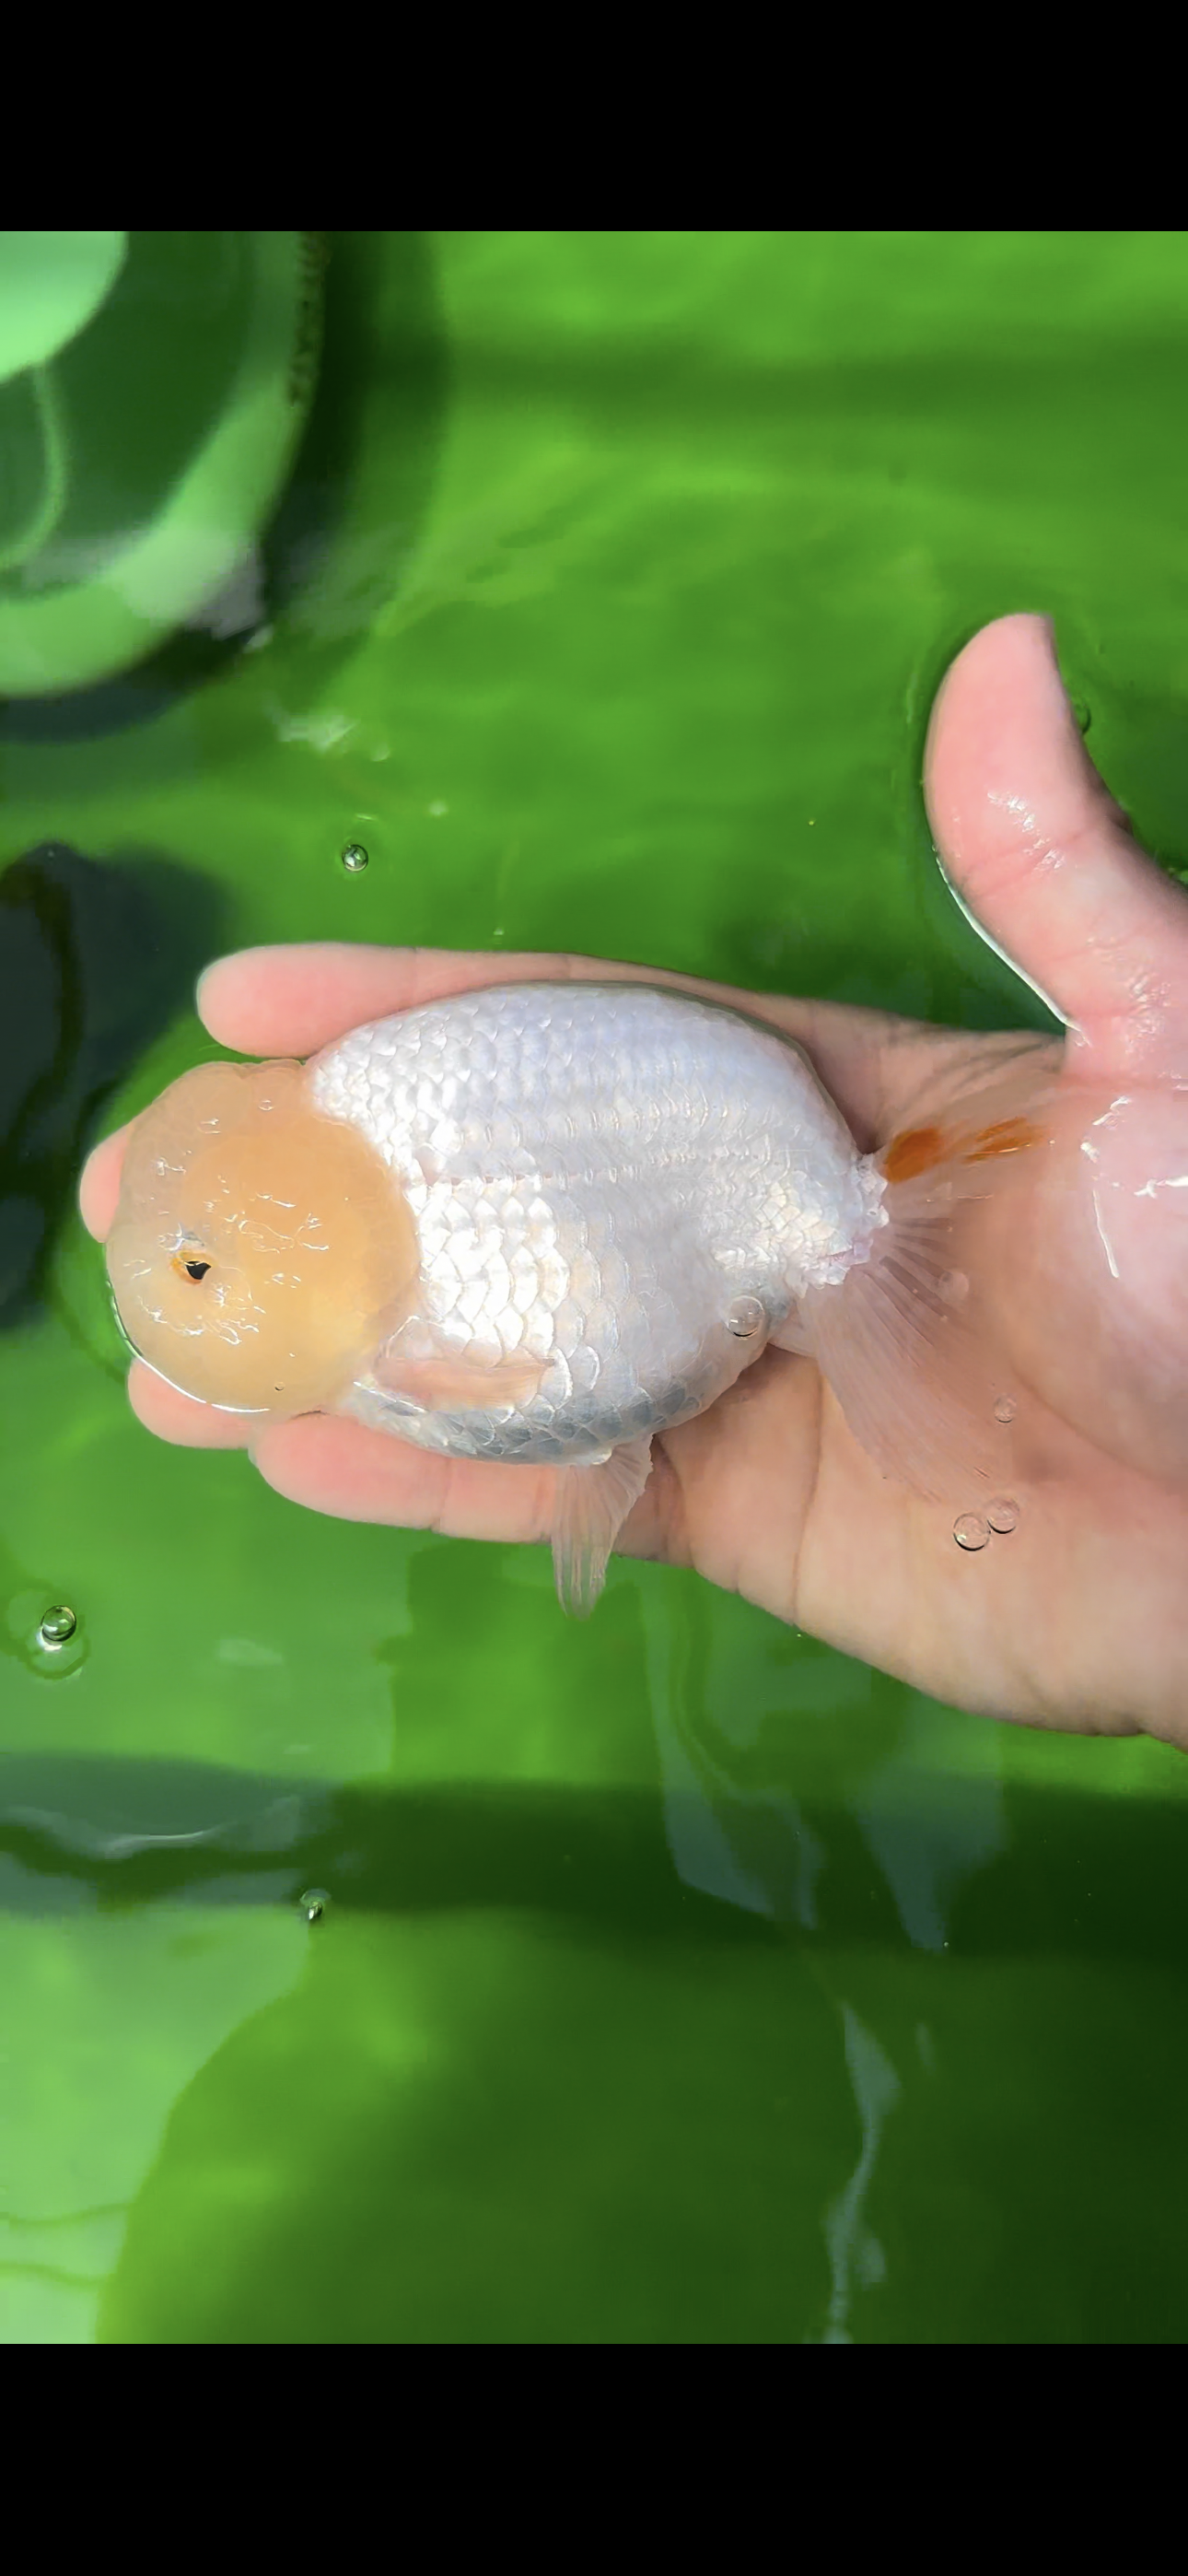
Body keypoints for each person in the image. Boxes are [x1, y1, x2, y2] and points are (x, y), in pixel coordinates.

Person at [80, 615, 1188, 1744]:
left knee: (822, 1249)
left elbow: (524, 1383)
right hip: (758, 1142)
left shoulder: (388, 1290)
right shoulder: (367, 1172)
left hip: (757, 1155)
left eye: (203, 1263)